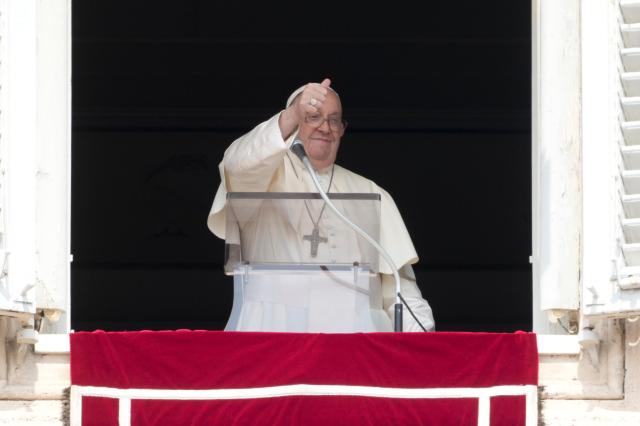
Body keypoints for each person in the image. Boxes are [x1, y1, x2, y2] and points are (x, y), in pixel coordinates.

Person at [208, 78, 435, 332]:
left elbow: (399, 289)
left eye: (334, 119)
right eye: (312, 117)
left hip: (355, 337)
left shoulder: (371, 192)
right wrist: (292, 113)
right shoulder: (262, 177)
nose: (325, 128)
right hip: (273, 328)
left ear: (342, 129)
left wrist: (422, 345)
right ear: (294, 123)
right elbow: (236, 164)